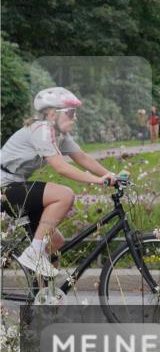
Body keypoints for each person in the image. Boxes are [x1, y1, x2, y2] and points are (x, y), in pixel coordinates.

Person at [0, 87, 117, 276]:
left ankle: (46, 295)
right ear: (53, 113)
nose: (75, 118)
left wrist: (113, 176)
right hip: (4, 188)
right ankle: (34, 254)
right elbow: (61, 167)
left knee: (55, 243)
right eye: (70, 113)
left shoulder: (58, 133)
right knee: (64, 195)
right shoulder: (41, 129)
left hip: (14, 186)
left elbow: (82, 158)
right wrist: (98, 181)